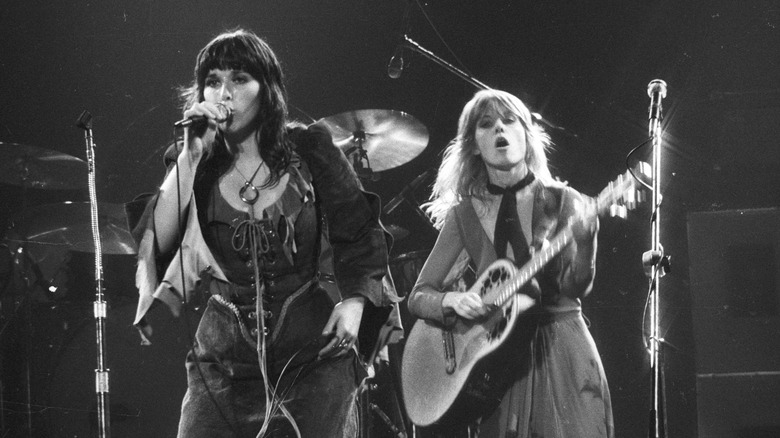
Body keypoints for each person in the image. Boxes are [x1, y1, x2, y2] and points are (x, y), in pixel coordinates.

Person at [129, 29, 398, 437]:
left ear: (266, 89)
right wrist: (191, 153)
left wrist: (356, 302)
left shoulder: (309, 149)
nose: (224, 93)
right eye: (213, 81)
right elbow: (159, 239)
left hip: (311, 358)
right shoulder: (191, 161)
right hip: (224, 364)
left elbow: (360, 232)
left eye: (239, 79)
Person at [406, 89, 614, 437]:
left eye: (509, 121)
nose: (499, 130)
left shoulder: (563, 200)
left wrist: (587, 240)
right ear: (473, 144)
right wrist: (449, 300)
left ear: (526, 135)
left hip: (561, 346)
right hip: (497, 362)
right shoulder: (464, 215)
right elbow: (418, 296)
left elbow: (575, 287)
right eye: (486, 125)